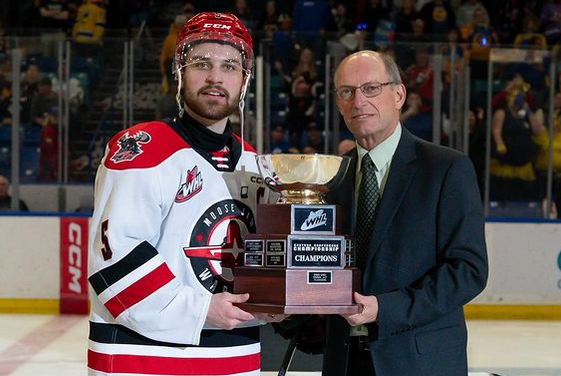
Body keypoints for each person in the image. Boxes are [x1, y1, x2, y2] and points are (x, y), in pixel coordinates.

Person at [87, 12, 284, 376]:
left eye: (229, 66)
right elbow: (115, 258)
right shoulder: (143, 149)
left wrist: (292, 307)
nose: (215, 77)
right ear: (179, 72)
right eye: (201, 63)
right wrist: (202, 310)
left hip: (235, 359)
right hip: (143, 361)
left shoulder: (258, 165)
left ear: (244, 80)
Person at [322, 50, 488, 376]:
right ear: (339, 103)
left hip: (419, 361)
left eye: (371, 88)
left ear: (399, 95)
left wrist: (385, 309)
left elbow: (468, 270)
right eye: (346, 91)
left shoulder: (446, 168)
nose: (358, 101)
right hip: (344, 363)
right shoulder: (331, 178)